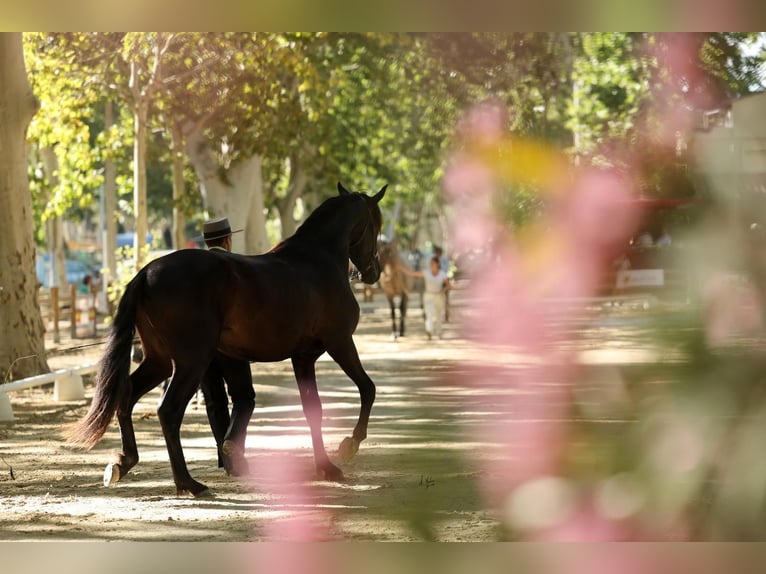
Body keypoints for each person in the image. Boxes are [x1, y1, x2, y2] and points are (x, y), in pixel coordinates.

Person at [198, 216, 254, 475]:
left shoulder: (194, 269)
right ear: (228, 240)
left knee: (214, 400)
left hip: (203, 346)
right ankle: (233, 441)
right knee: (244, 398)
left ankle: (229, 462)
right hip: (232, 342)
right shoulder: (236, 265)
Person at [402, 256, 449, 340]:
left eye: (433, 263)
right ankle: (429, 331)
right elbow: (413, 273)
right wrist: (402, 268)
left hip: (439, 296)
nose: (431, 265)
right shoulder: (426, 272)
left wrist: (443, 290)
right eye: (431, 263)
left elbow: (447, 285)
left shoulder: (442, 274)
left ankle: (439, 332)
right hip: (428, 295)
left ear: (437, 264)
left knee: (439, 315)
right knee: (429, 313)